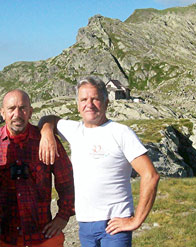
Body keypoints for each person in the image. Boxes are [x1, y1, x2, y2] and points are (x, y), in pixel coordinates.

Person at [39, 76, 160, 247]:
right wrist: (47, 133)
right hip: (85, 225)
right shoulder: (74, 130)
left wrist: (136, 220)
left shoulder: (121, 132)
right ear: (78, 105)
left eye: (95, 98)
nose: (89, 104)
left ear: (106, 102)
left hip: (114, 226)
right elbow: (48, 119)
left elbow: (151, 175)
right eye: (83, 99)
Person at [0, 89, 75, 247]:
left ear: (30, 111)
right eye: (11, 109)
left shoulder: (46, 140)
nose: (17, 114)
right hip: (3, 238)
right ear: (3, 113)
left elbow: (67, 182)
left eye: (23, 108)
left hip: (42, 236)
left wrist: (63, 216)